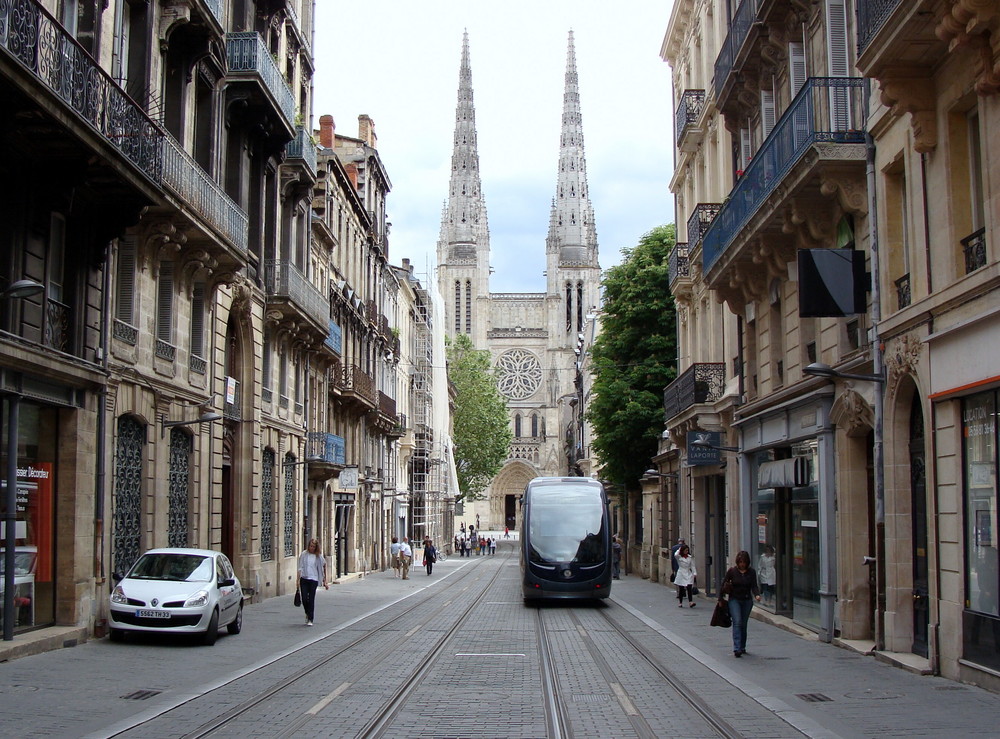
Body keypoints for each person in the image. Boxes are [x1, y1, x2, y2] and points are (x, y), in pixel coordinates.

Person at [720, 550, 761, 657]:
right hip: (734, 599)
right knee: (737, 622)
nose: (742, 564)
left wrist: (757, 595)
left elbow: (754, 586)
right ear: (737, 562)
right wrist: (720, 599)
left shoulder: (751, 572)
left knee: (743, 624)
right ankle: (737, 648)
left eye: (744, 562)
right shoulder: (732, 571)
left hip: (747, 600)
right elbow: (724, 584)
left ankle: (742, 646)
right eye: (740, 562)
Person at [297, 538, 327, 626]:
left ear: (316, 547)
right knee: (304, 598)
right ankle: (307, 612)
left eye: (313, 547)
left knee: (311, 599)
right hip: (304, 578)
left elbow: (324, 565)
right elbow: (300, 567)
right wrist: (297, 579)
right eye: (310, 546)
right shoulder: (304, 554)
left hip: (314, 579)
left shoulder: (318, 556)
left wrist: (325, 580)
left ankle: (310, 618)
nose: (312, 548)